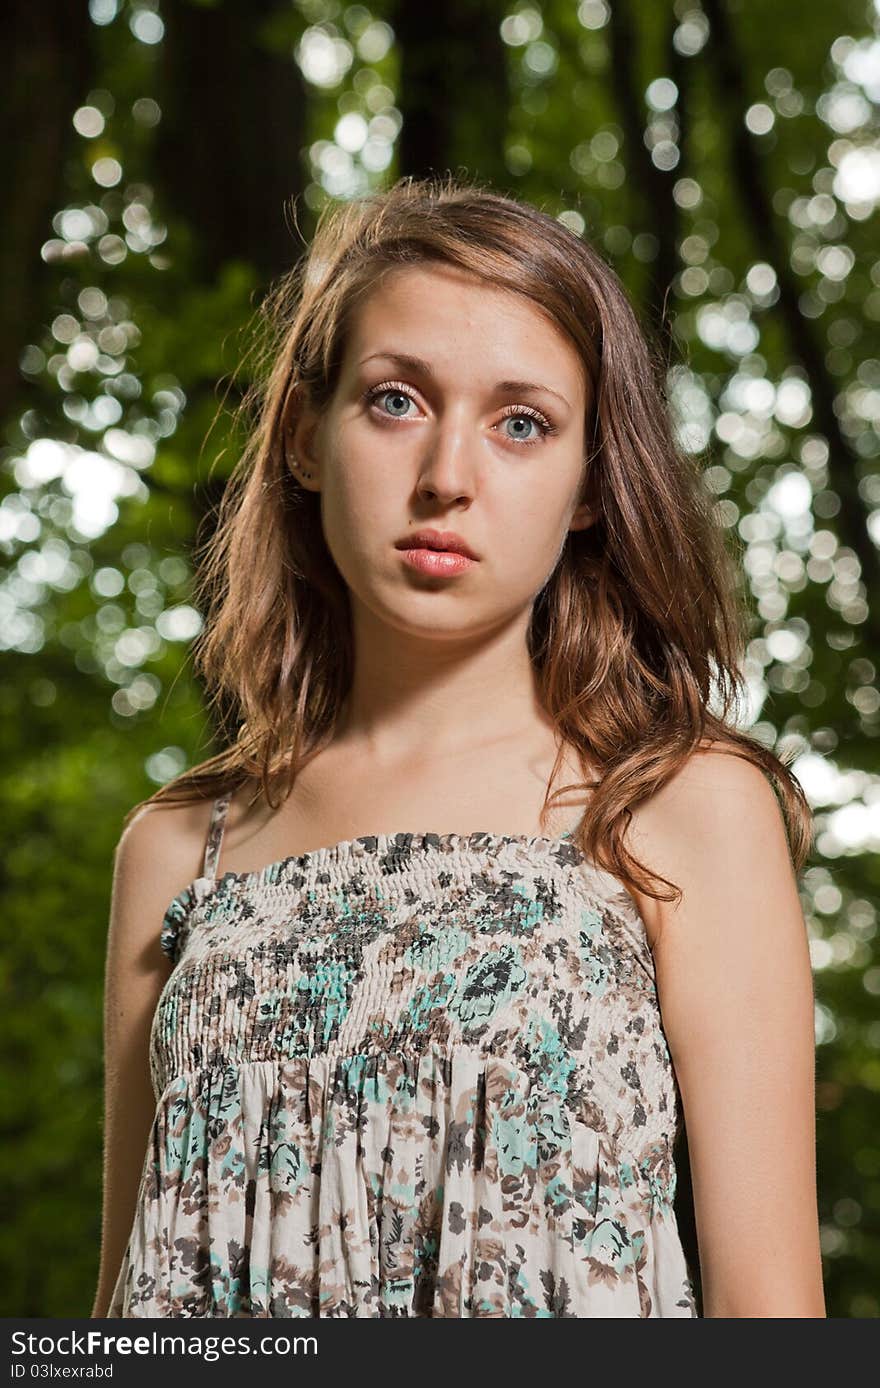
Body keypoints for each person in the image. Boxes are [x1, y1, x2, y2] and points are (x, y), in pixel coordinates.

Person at [91, 175, 825, 1319]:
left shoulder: (677, 804)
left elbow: (769, 1310)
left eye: (521, 423)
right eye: (394, 401)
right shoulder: (182, 843)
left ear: (588, 485)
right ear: (302, 439)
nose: (447, 477)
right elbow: (121, 1308)